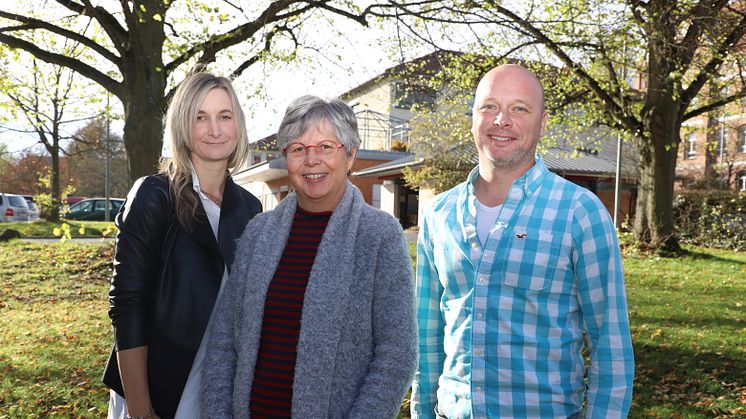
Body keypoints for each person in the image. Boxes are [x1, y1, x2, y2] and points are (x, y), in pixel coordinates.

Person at [410, 64, 634, 418]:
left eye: (519, 108)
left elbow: (611, 344)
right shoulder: (438, 214)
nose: (502, 119)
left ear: (542, 122)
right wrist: (422, 411)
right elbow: (426, 334)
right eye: (489, 106)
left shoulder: (580, 212)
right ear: (473, 117)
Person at [201, 95, 417, 418]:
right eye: (298, 149)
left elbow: (396, 354)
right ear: (286, 158)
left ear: (351, 155)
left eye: (326, 147)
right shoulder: (258, 233)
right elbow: (223, 343)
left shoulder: (379, 236)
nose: (311, 160)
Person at [102, 72, 262, 419]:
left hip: (217, 392)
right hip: (154, 389)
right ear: (181, 125)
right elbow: (127, 305)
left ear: (238, 125)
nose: (215, 130)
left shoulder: (251, 209)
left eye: (224, 116)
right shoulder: (154, 195)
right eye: (200, 117)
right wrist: (141, 409)